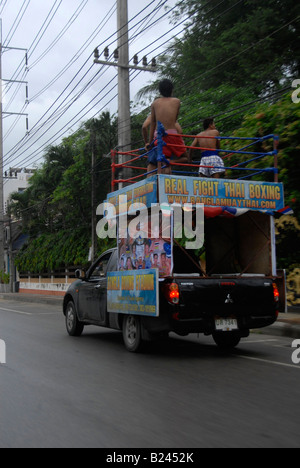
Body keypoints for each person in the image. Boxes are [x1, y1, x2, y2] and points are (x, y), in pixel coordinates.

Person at [145, 79, 188, 175]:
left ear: (160, 91)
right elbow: (175, 119)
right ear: (172, 90)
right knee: (185, 157)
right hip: (172, 134)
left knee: (153, 161)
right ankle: (172, 162)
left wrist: (150, 142)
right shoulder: (177, 101)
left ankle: (151, 184)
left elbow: (152, 124)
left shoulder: (155, 103)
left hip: (158, 136)